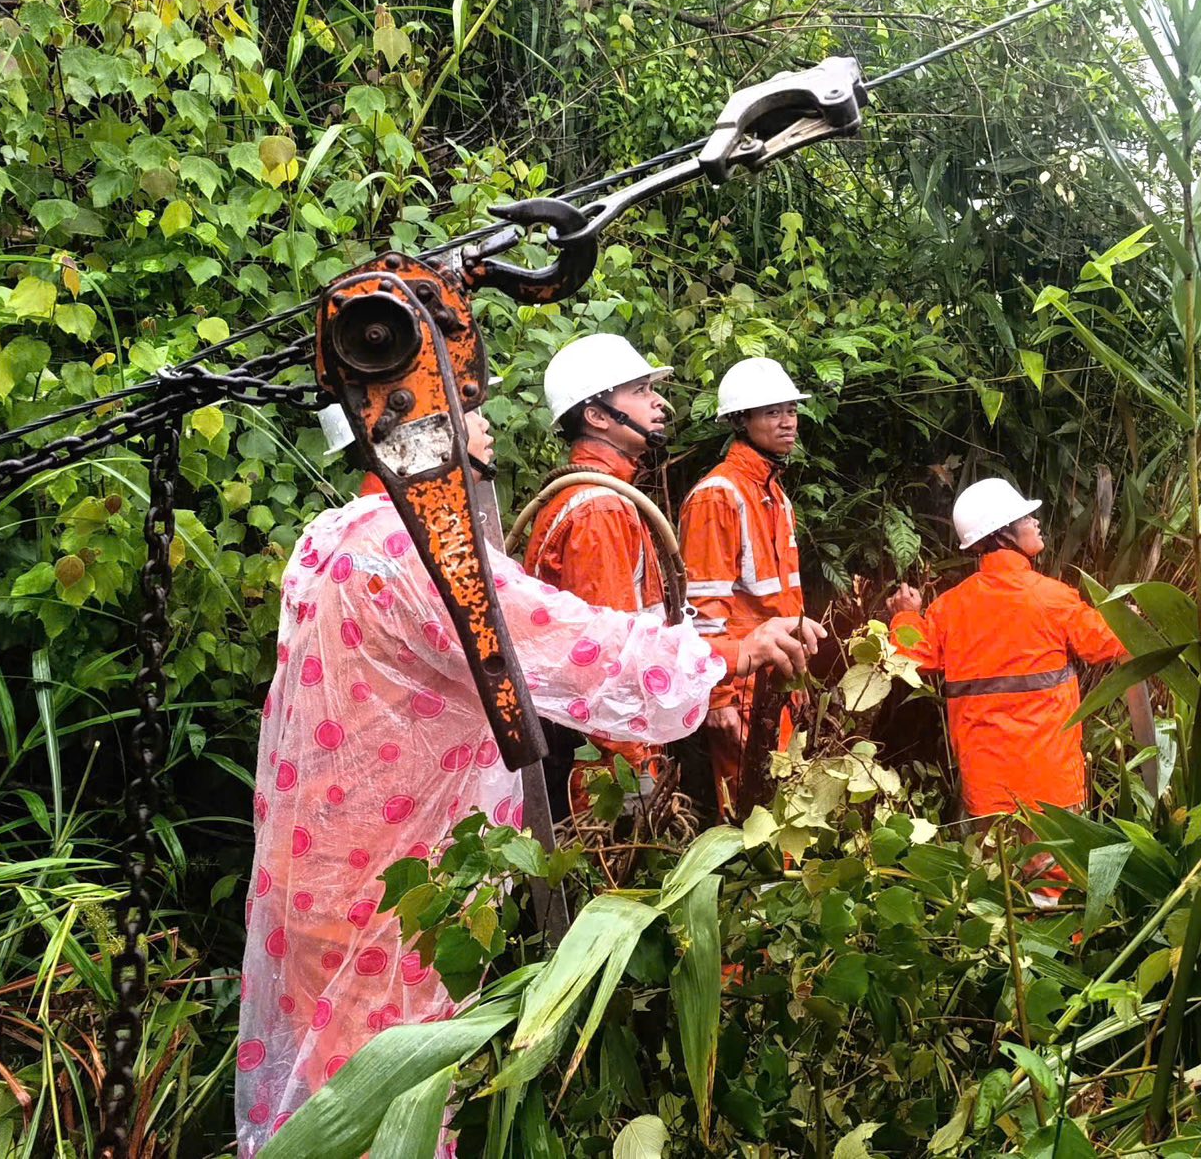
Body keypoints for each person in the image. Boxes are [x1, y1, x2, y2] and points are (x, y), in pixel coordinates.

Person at [236, 406, 812, 1154]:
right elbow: (572, 645)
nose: (484, 424)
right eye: (463, 409)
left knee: (326, 1094)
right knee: (387, 1098)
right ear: (415, 428)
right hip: (389, 889)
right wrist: (731, 655)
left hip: (319, 866)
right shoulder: (416, 550)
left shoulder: (330, 536)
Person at [887, 477, 1153, 827]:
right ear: (1002, 533)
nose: (1036, 522)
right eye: (1026, 519)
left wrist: (905, 614)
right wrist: (1127, 620)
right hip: (1053, 788)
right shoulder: (1054, 598)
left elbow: (911, 657)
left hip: (986, 791)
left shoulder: (950, 608)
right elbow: (1105, 641)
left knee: (999, 879)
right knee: (1054, 879)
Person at [520, 333, 676, 817]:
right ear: (597, 415)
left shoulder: (599, 497)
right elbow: (604, 668)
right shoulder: (599, 510)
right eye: (639, 391)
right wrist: (632, 781)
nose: (658, 403)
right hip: (604, 771)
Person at [680, 356, 827, 813]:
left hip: (777, 682)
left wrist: (798, 681)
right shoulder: (718, 494)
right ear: (741, 421)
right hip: (742, 686)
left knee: (788, 812)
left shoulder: (774, 494)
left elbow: (784, 602)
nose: (788, 423)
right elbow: (703, 606)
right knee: (752, 814)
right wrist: (718, 695)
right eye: (772, 413)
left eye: (791, 410)